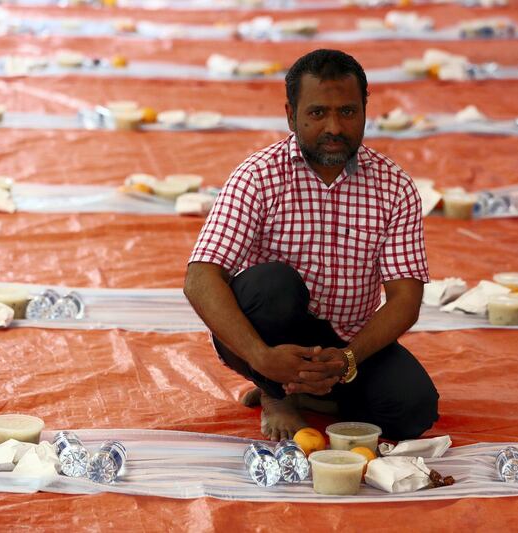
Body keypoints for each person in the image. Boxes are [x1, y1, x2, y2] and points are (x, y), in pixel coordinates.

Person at [185, 49, 439, 442]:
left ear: (365, 110)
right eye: (318, 113)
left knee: (414, 409)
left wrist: (349, 357)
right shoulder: (257, 177)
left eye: (348, 112)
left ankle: (312, 393)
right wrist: (262, 358)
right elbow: (200, 278)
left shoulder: (395, 187)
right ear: (291, 116)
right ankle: (276, 393)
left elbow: (405, 297)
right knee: (271, 285)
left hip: (348, 344)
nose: (334, 127)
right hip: (270, 335)